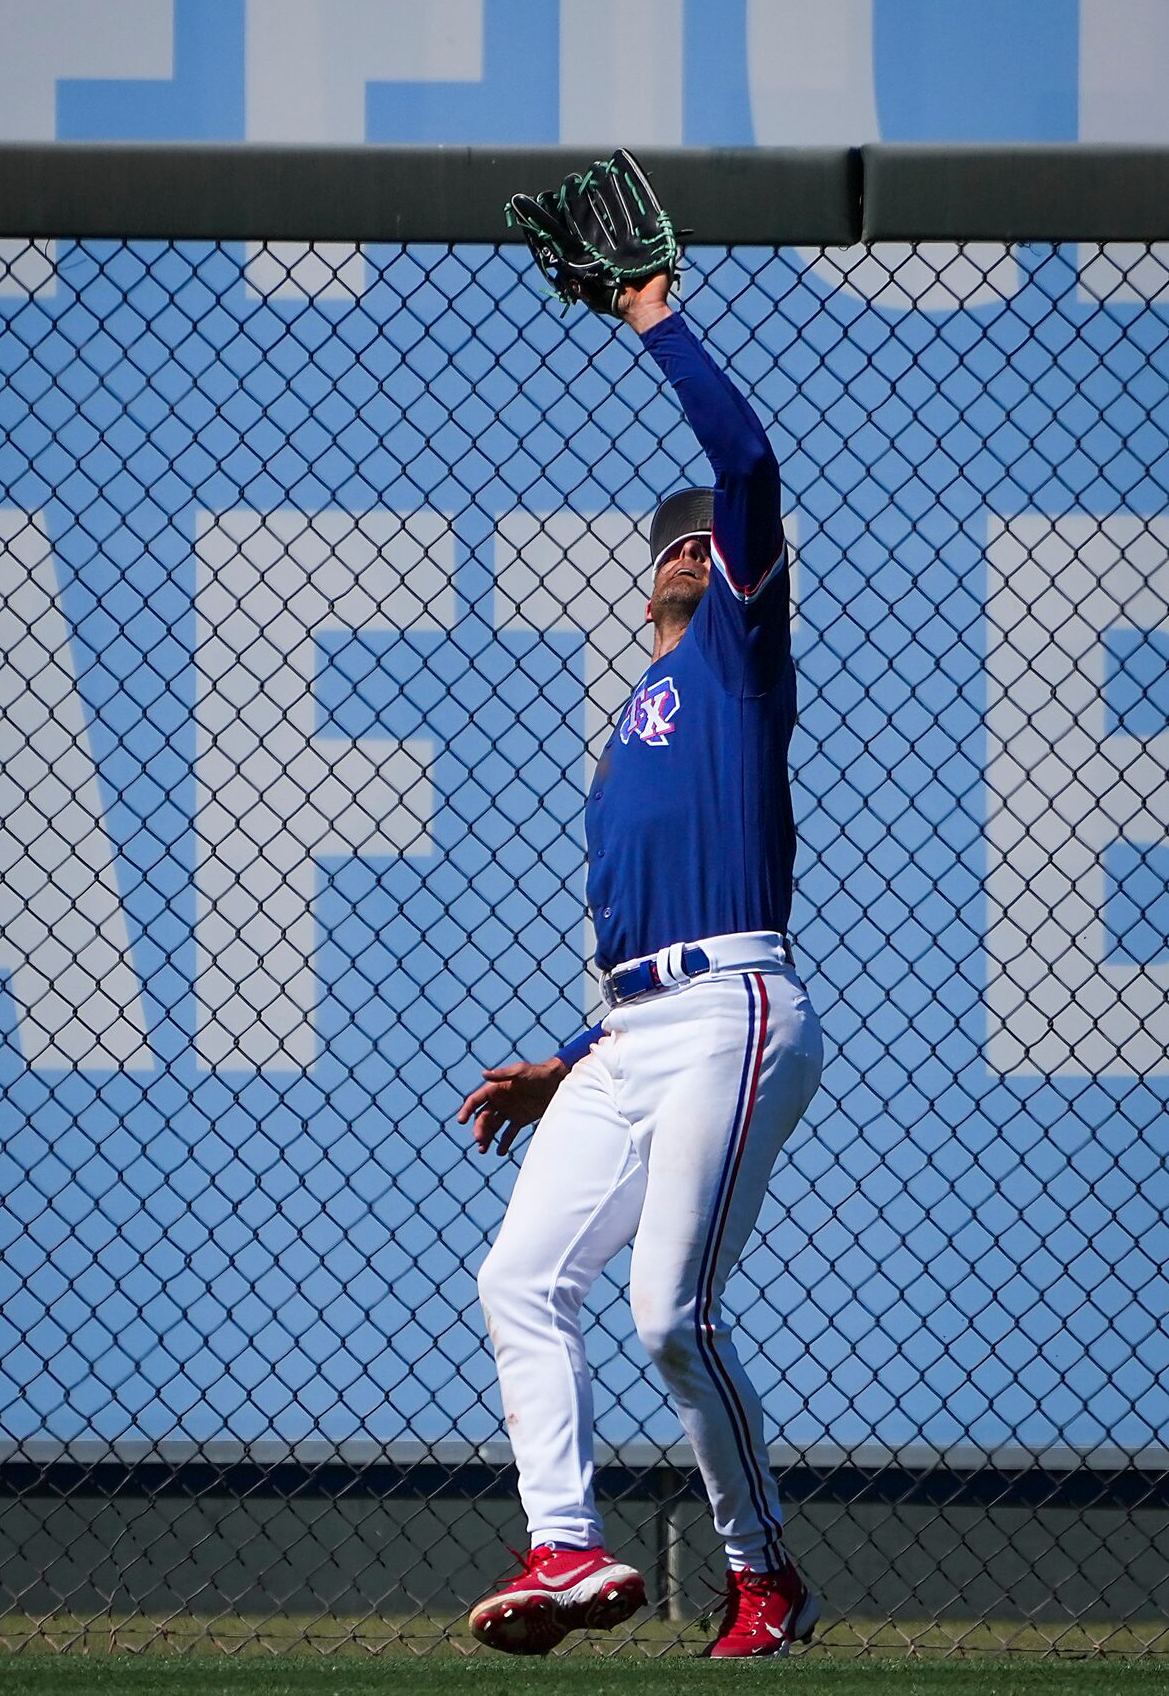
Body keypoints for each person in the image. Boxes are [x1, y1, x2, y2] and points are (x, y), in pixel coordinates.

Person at [458, 268, 825, 1659]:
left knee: (670, 1314)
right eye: (671, 539)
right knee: (519, 1278)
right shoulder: (632, 716)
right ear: (646, 571)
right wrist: (570, 1054)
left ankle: (763, 1575)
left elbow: (745, 459)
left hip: (739, 1006)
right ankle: (566, 1547)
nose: (690, 546)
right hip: (631, 1028)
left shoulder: (739, 655)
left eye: (704, 538)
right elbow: (638, 927)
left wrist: (653, 317)